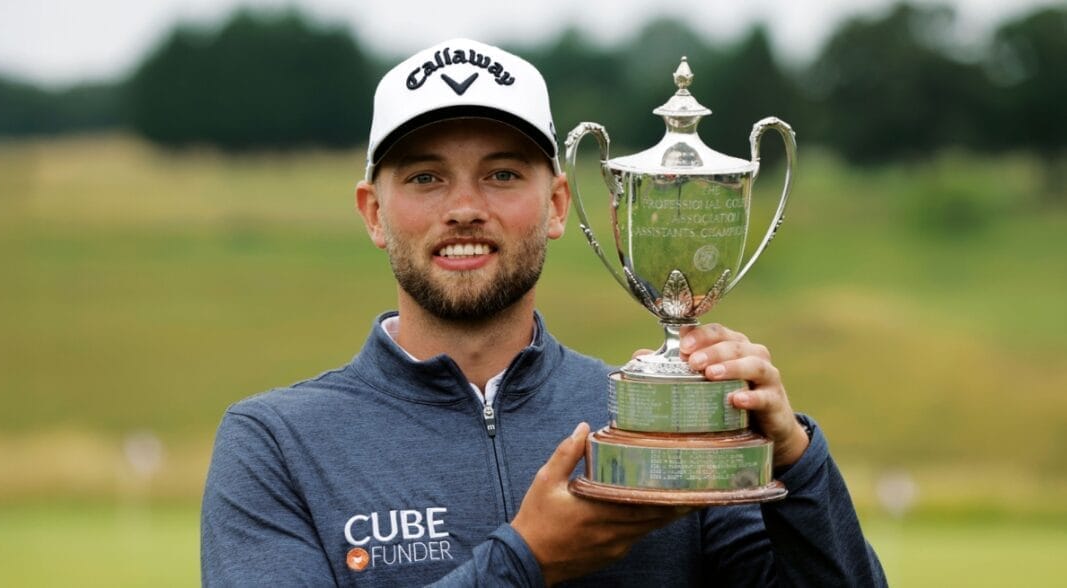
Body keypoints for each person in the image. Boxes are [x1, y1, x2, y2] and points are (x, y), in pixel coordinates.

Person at [201, 38, 885, 586]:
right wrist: (526, 561)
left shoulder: (654, 427)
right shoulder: (276, 444)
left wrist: (795, 463)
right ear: (373, 213)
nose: (464, 206)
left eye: (502, 174)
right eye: (423, 177)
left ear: (558, 205)